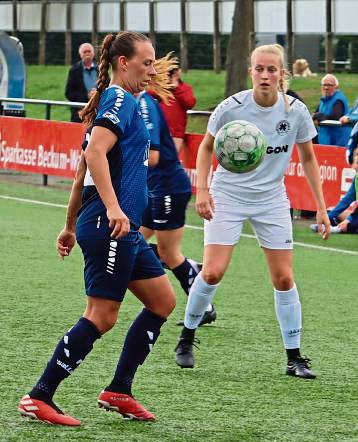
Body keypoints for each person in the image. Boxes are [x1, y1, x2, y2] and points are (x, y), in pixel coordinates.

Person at [18, 31, 176, 426]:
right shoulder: (119, 99)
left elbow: (80, 175)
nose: (151, 68)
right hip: (111, 225)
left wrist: (69, 225)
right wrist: (113, 208)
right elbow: (93, 154)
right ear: (123, 62)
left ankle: (119, 389)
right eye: (145, 61)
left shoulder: (125, 102)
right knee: (102, 315)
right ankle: (40, 396)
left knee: (162, 301)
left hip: (115, 227)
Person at [174, 44, 331, 379]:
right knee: (214, 271)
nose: (265, 75)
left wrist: (320, 206)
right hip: (228, 195)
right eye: (259, 69)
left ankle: (295, 357)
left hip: (271, 199)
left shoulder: (296, 111)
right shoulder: (231, 108)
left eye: (271, 70)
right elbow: (204, 148)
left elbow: (308, 158)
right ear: (251, 72)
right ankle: (186, 336)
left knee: (284, 277)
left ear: (282, 75)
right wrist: (201, 191)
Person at [137, 55, 216, 326]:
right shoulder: (141, 100)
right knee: (132, 240)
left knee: (168, 253)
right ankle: (190, 267)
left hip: (167, 187)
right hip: (156, 187)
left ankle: (201, 303)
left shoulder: (145, 103)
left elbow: (153, 156)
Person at [150, 58, 196, 153]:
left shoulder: (185, 88)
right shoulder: (162, 89)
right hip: (159, 129)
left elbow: (189, 103)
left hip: (176, 132)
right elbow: (149, 94)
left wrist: (176, 87)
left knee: (171, 156)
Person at [311, 145, 358, 234]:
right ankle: (332, 225)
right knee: (338, 213)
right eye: (356, 156)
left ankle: (341, 228)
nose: (355, 164)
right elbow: (345, 201)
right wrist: (327, 218)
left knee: (350, 221)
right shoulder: (356, 179)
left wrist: (349, 220)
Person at [312, 74, 351, 146]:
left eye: (329, 85)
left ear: (336, 87)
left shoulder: (338, 100)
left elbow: (336, 117)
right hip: (327, 139)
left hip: (339, 141)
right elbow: (315, 114)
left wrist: (319, 116)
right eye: (324, 85)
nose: (326, 87)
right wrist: (317, 116)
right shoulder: (324, 99)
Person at [65, 43, 98, 122]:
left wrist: (97, 94)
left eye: (89, 51)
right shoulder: (74, 70)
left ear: (93, 53)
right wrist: (86, 96)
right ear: (80, 54)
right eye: (84, 52)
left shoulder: (101, 69)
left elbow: (109, 88)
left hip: (98, 114)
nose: (87, 54)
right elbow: (69, 93)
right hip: (79, 115)